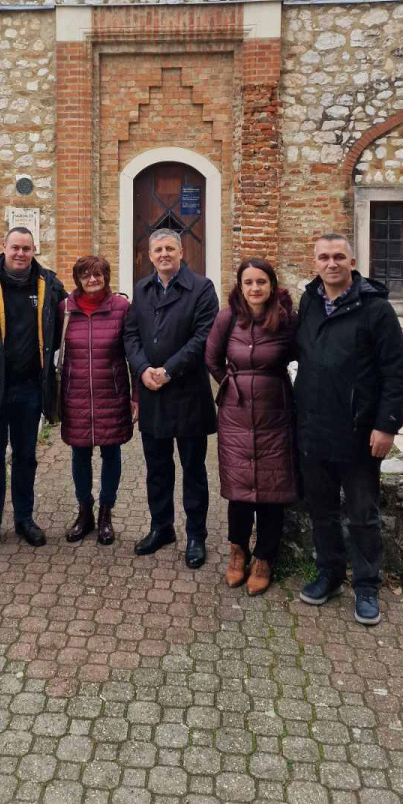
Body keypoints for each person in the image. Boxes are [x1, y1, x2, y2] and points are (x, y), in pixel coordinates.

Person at [295, 232, 403, 625]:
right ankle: (328, 574)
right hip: (313, 427)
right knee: (322, 511)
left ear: (352, 261)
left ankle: (365, 585)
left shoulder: (376, 310)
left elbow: (397, 374)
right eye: (324, 257)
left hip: (359, 432)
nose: (331, 263)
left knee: (362, 514)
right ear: (314, 263)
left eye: (339, 257)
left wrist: (387, 425)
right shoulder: (309, 301)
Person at [0, 227, 66, 556]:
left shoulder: (49, 283)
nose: (20, 254)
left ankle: (23, 519)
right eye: (15, 248)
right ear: (4, 248)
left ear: (35, 250)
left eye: (26, 248)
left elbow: (65, 319)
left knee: (25, 458)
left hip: (30, 388)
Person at [124, 228, 219, 568]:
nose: (164, 254)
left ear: (182, 252)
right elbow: (131, 334)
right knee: (157, 469)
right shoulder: (142, 288)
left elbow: (203, 337)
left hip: (188, 393)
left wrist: (167, 371)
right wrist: (143, 368)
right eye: (158, 249)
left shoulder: (202, 289)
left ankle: (196, 535)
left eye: (170, 248)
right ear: (150, 256)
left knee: (193, 469)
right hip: (153, 395)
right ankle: (161, 527)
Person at [205, 259, 298, 595]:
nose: (255, 288)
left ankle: (264, 557)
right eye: (249, 282)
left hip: (275, 411)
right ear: (240, 286)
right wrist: (229, 384)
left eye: (261, 282)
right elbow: (212, 358)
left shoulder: (286, 321)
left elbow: (302, 354)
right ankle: (237, 550)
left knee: (272, 489)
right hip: (236, 414)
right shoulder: (227, 318)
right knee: (240, 488)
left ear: (272, 285)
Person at [58, 254, 135, 546]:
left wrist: (135, 395)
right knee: (79, 455)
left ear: (106, 277)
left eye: (98, 275)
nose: (92, 280)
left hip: (111, 393)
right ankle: (84, 511)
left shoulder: (121, 308)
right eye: (86, 275)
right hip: (75, 394)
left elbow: (132, 353)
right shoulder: (64, 309)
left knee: (111, 454)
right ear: (77, 279)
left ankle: (106, 513)